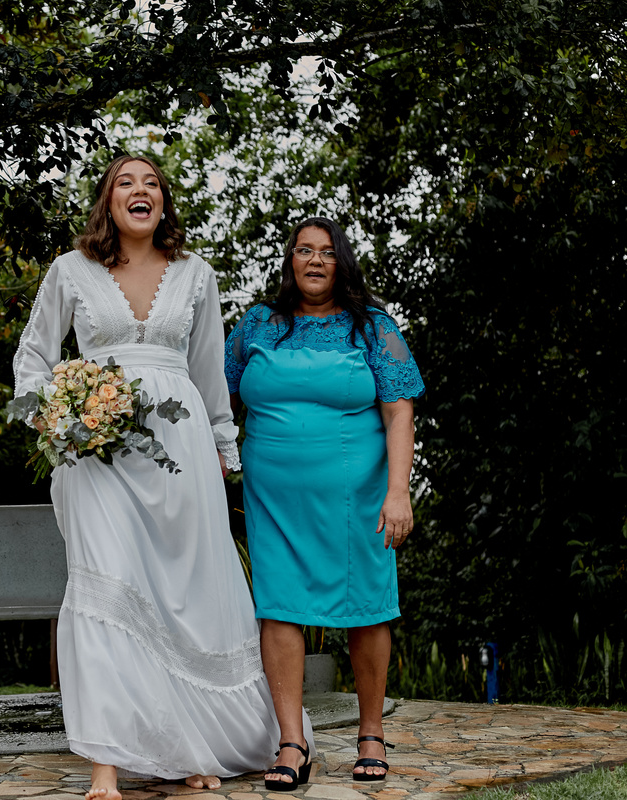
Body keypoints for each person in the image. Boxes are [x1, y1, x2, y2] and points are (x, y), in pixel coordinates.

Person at [14, 155, 312, 800]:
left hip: (181, 457)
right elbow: (34, 355)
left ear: (164, 202)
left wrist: (225, 450)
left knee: (185, 599)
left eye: (151, 182)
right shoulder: (71, 270)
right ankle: (105, 765)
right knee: (105, 593)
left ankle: (187, 745)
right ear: (107, 201)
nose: (139, 190)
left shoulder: (196, 275)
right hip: (95, 458)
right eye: (125, 181)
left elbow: (208, 376)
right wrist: (57, 419)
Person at [224, 217, 424, 790]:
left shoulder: (373, 328)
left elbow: (400, 409)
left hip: (357, 496)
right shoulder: (260, 324)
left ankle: (371, 736)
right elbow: (217, 395)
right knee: (279, 605)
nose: (314, 260)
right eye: (303, 250)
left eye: (327, 252)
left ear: (343, 262)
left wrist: (398, 490)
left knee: (367, 605)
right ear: (289, 261)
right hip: (274, 497)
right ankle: (291, 744)